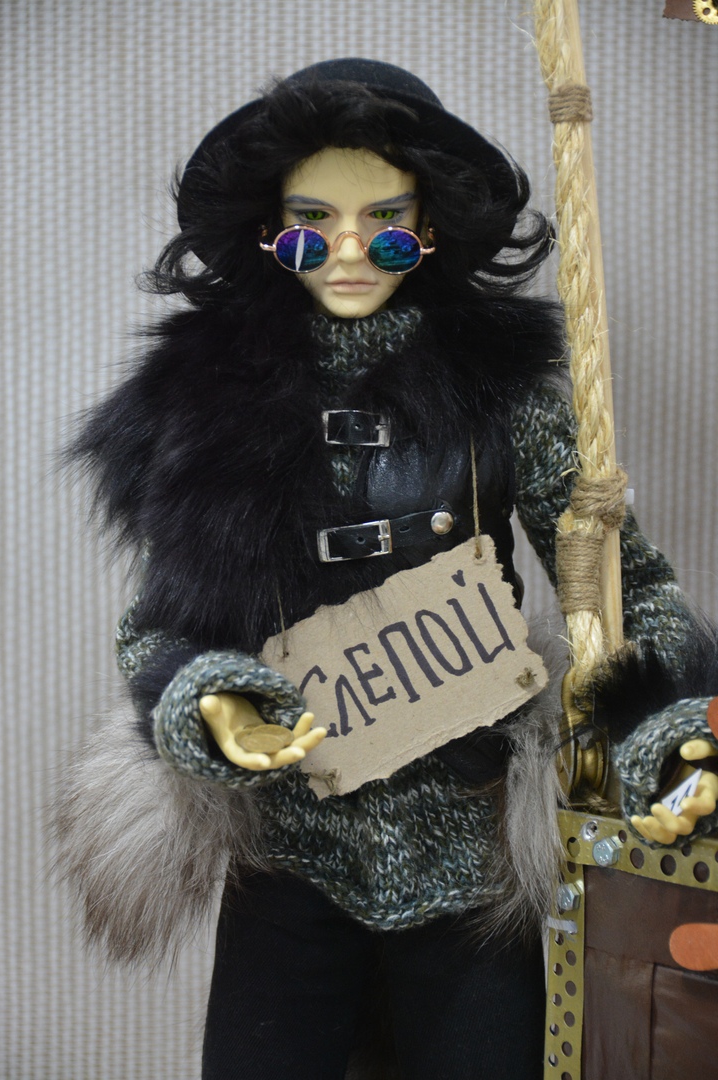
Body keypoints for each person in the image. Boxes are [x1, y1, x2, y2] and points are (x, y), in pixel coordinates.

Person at [58, 59, 718, 1079]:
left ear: (433, 228)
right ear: (269, 232)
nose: (350, 251)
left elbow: (626, 588)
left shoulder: (506, 398)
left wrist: (664, 730)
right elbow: (158, 629)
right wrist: (209, 701)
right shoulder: (209, 406)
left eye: (389, 225)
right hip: (289, 855)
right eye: (312, 224)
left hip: (470, 854)